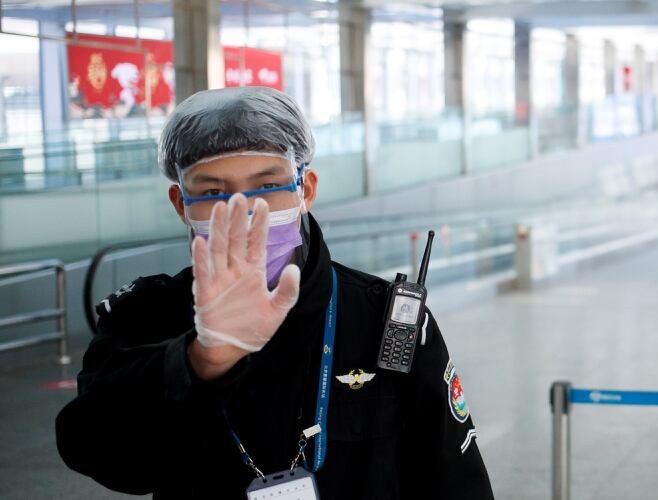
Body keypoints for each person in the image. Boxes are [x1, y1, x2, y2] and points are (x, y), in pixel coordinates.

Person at [56, 86, 494, 500]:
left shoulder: (384, 317)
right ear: (180, 204)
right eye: (212, 192)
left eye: (267, 185)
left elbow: (455, 482)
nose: (245, 210)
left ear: (305, 189)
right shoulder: (147, 314)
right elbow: (97, 454)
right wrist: (200, 361)